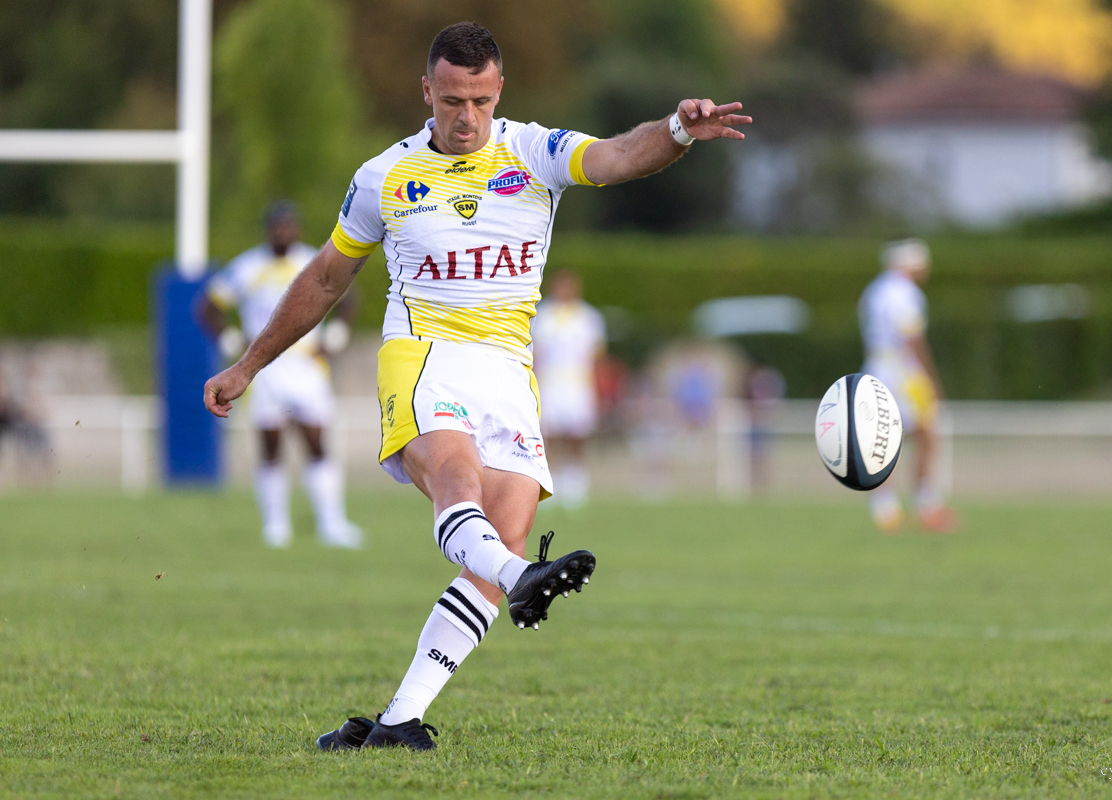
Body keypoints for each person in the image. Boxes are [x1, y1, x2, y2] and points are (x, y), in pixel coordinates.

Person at [203, 22, 750, 751]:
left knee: (501, 536)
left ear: (499, 93)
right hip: (424, 352)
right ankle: (524, 576)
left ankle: (399, 719)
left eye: (481, 101)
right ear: (426, 90)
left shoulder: (533, 151)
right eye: (453, 100)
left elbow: (619, 157)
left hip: (507, 369)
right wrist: (248, 364)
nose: (467, 117)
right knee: (458, 481)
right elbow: (328, 277)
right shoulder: (384, 178)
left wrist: (678, 130)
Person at [199, 201, 363, 549]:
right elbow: (208, 308)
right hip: (266, 370)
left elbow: (348, 298)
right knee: (270, 445)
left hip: (306, 366)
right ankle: (276, 526)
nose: (283, 232)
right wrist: (232, 342)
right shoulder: (248, 266)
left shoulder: (312, 259)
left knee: (317, 442)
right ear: (268, 230)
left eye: (289, 225)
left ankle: (332, 523)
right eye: (277, 226)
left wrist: (334, 340)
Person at [858, 238, 956, 534]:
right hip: (903, 371)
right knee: (927, 434)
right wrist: (929, 376)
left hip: (876, 366)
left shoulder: (874, 290)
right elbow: (911, 337)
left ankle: (885, 509)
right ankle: (927, 505)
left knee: (883, 441)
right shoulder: (906, 294)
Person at [531, 270, 606, 509]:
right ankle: (547, 485)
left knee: (577, 435)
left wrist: (597, 387)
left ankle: (574, 485)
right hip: (550, 383)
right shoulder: (543, 316)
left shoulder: (588, 317)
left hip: (577, 384)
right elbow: (536, 353)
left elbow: (596, 355)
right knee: (548, 436)